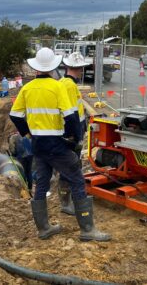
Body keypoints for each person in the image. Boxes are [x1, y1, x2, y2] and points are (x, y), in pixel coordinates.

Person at [9, 47, 110, 242]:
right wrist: (74, 138)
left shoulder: (27, 88)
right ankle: (87, 230)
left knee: (42, 184)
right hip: (56, 143)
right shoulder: (57, 87)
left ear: (36, 68)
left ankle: (44, 228)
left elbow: (15, 115)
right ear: (53, 66)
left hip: (38, 144)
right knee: (77, 179)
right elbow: (71, 115)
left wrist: (28, 133)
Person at [57, 52, 90, 215]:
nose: (81, 71)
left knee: (67, 168)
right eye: (81, 68)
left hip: (66, 133)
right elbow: (71, 114)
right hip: (71, 133)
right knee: (71, 168)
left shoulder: (63, 82)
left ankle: (65, 201)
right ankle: (66, 203)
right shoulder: (69, 86)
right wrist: (76, 136)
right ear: (78, 68)